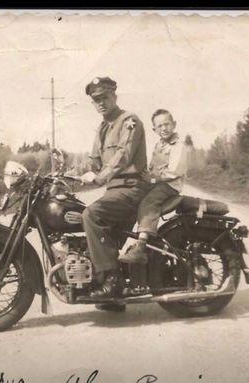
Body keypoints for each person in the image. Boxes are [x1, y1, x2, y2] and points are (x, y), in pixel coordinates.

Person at [79, 77, 149, 301]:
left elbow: (123, 154)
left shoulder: (129, 121)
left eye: (104, 97)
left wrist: (100, 177)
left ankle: (111, 283)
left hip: (131, 187)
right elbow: (93, 160)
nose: (100, 102)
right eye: (96, 99)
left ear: (114, 96)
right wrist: (70, 173)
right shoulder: (102, 127)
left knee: (91, 215)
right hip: (115, 190)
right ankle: (111, 291)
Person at [118, 109, 189, 265]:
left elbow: (175, 171)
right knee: (130, 198)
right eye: (160, 126)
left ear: (174, 124)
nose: (164, 128)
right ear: (154, 130)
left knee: (148, 203)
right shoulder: (159, 145)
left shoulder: (178, 145)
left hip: (170, 185)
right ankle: (118, 241)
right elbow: (152, 167)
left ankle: (141, 247)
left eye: (167, 124)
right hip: (157, 182)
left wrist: (154, 178)